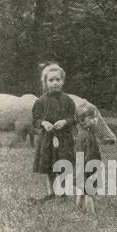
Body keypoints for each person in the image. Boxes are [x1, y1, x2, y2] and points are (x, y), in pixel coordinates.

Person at [31, 63, 77, 200]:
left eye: (58, 80)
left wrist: (65, 122)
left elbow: (73, 118)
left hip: (64, 138)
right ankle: (51, 192)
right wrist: (43, 123)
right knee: (49, 164)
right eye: (51, 80)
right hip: (47, 139)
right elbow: (35, 120)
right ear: (45, 82)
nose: (55, 83)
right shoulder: (41, 101)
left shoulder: (68, 100)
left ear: (62, 81)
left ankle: (62, 192)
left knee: (63, 163)